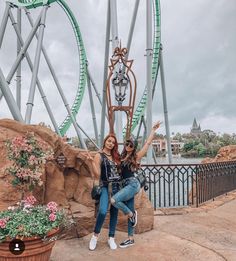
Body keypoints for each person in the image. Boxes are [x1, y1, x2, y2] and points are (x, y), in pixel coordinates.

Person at [110, 121, 161, 248]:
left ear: (134, 147)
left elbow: (147, 144)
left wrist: (153, 131)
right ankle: (130, 238)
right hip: (124, 186)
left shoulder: (136, 157)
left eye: (131, 145)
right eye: (127, 143)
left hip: (132, 185)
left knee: (114, 200)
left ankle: (132, 215)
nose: (128, 146)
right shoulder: (121, 157)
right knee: (129, 210)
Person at [88, 134, 121, 251]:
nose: (111, 143)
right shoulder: (99, 155)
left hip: (117, 186)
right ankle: (95, 236)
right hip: (105, 186)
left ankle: (111, 237)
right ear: (105, 141)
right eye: (109, 141)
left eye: (113, 142)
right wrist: (92, 163)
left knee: (114, 211)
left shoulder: (115, 156)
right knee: (102, 211)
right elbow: (97, 174)